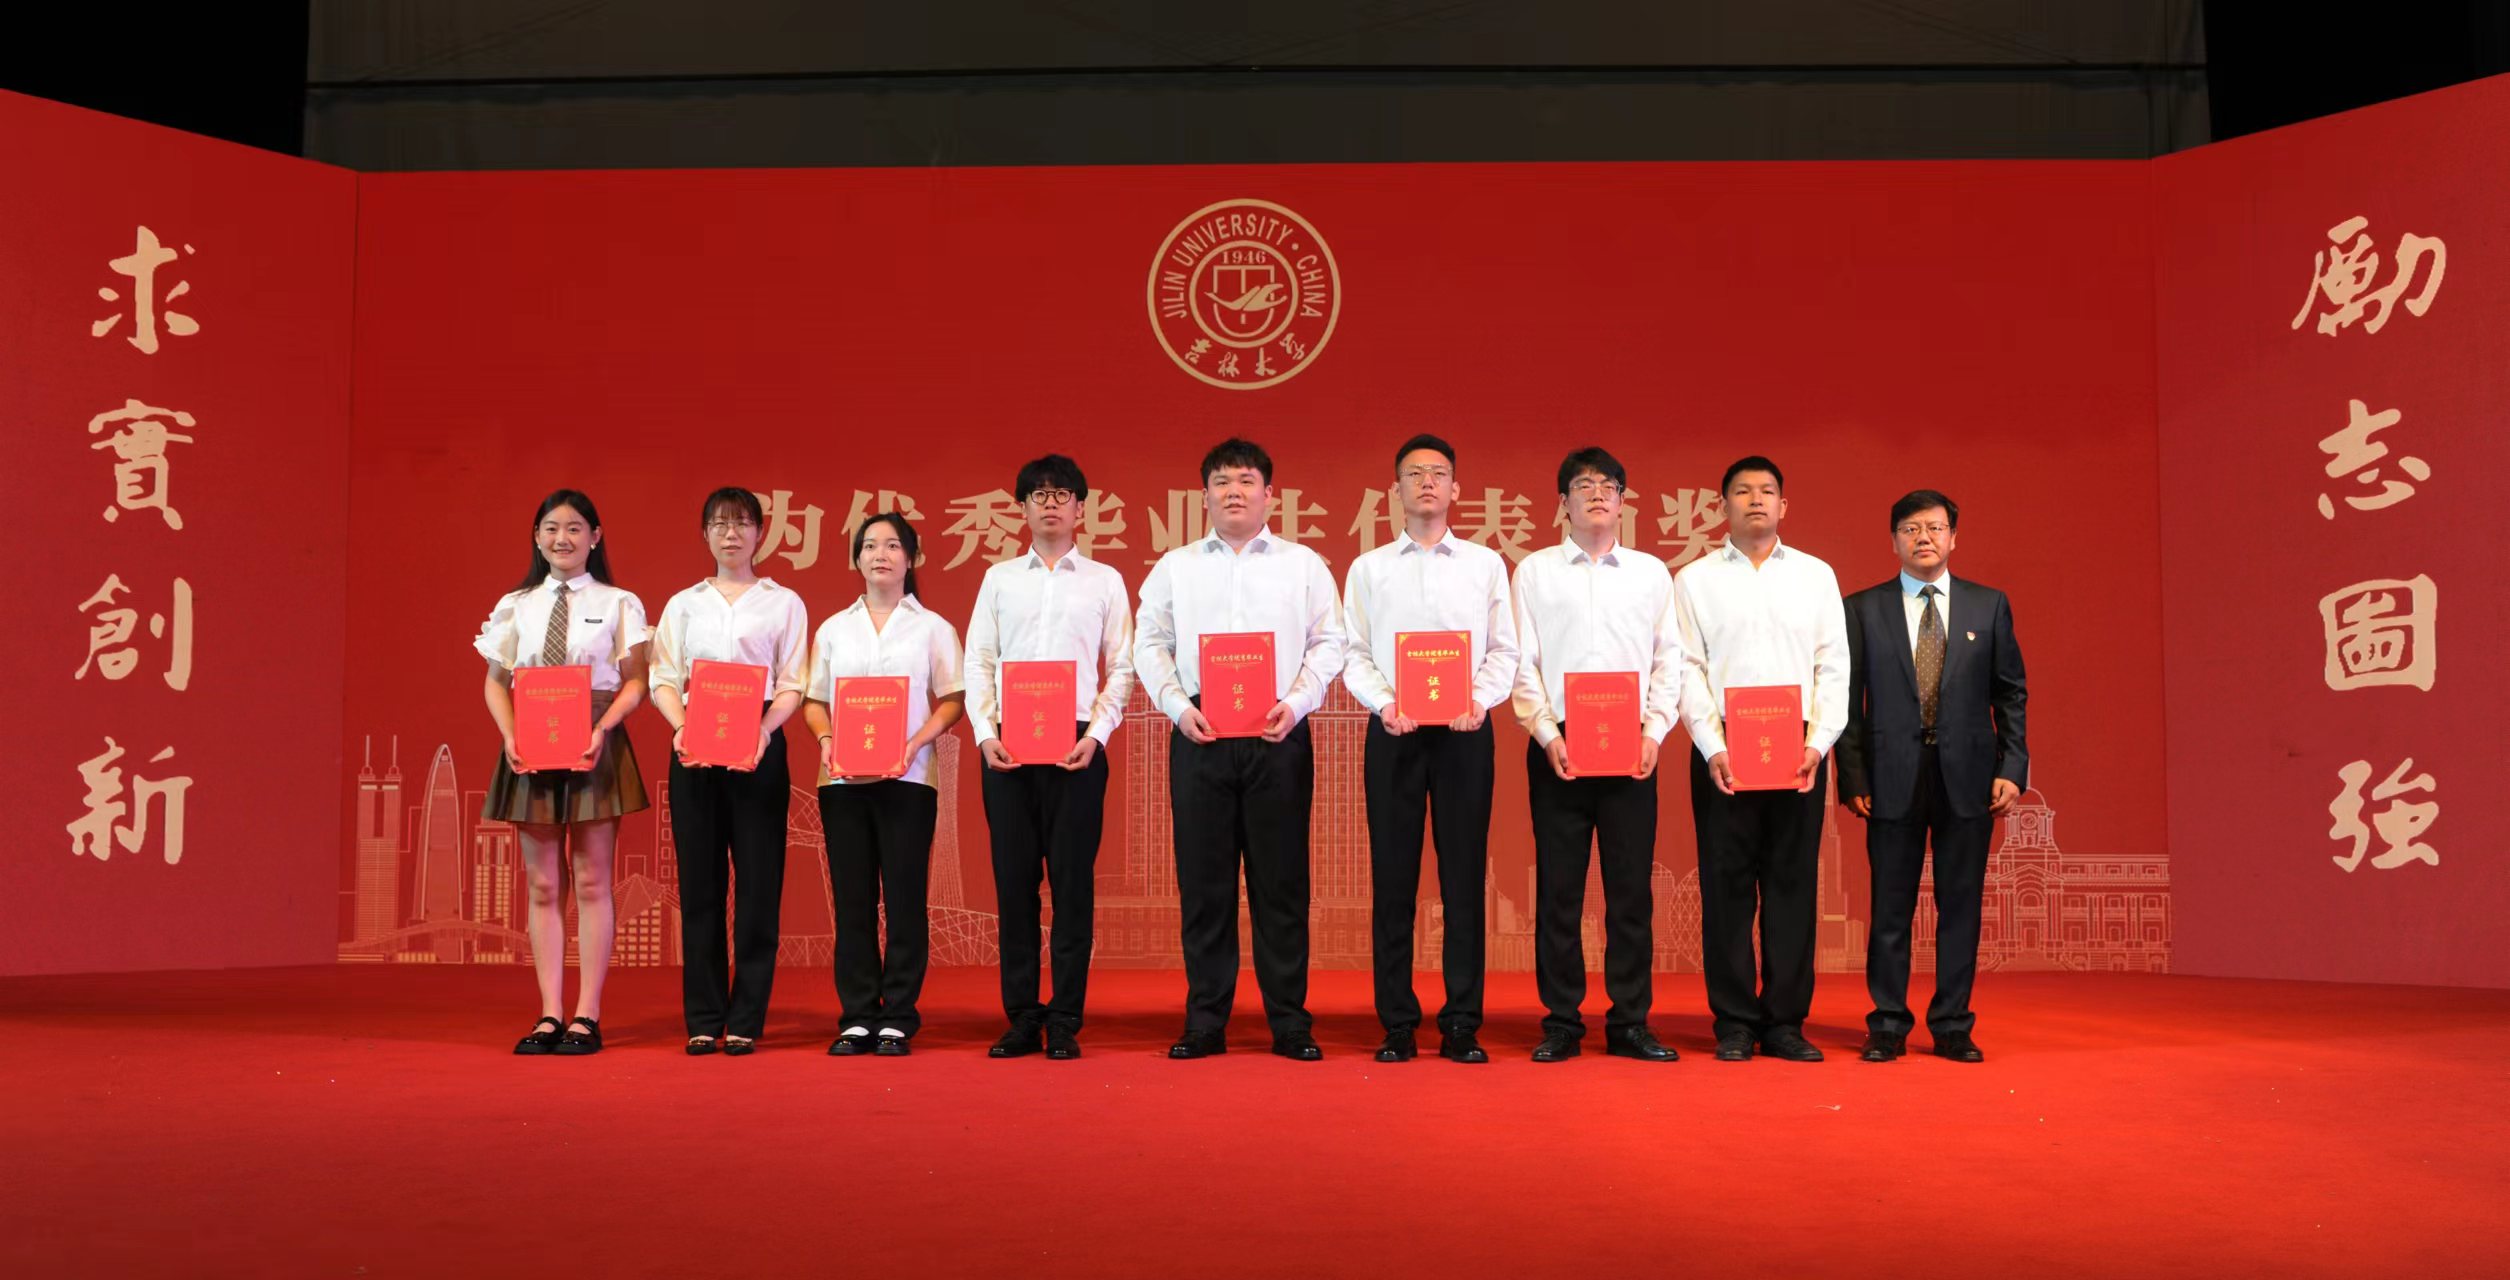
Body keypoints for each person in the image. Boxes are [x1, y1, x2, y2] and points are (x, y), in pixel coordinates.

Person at [1134, 438, 1345, 1061]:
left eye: (1247, 480)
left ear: (1269, 495)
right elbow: (1149, 642)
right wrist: (1178, 706)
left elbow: (1330, 642)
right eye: (1222, 481)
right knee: (1205, 885)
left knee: (1282, 885)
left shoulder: (1303, 565)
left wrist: (1297, 702)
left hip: (1276, 732)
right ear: (1203, 495)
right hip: (1200, 732)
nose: (1234, 491)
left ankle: (1290, 1022)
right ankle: (1205, 1021)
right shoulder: (1175, 566)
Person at [1340, 434, 1518, 1065]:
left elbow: (1504, 649)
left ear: (1456, 489)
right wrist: (1385, 704)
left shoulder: (1484, 564)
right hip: (1395, 733)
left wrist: (1480, 701)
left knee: (1463, 879)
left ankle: (1462, 1021)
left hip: (1465, 734)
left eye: (1438, 473)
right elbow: (1354, 652)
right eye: (1414, 474)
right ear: (1395, 490)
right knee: (1393, 879)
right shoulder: (1369, 569)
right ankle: (1396, 1022)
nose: (1426, 483)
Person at [1836, 490, 2027, 1064]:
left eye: (1935, 528)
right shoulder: (1863, 608)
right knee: (1889, 908)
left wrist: (2012, 768)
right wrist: (1853, 776)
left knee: (1960, 906)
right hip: (1889, 775)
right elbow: (1847, 702)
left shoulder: (1988, 605)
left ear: (1953, 538)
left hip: (1969, 777)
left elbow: (2010, 694)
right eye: (1911, 528)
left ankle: (1952, 1025)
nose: (1924, 537)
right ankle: (1887, 1024)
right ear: (1894, 539)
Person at [1508, 447, 1684, 1063]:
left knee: (1630, 892)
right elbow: (1522, 661)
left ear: (1623, 501)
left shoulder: (1650, 574)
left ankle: (1630, 1021)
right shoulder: (1534, 572)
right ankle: (1561, 1021)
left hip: (1631, 746)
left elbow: (1669, 660)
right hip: (1559, 745)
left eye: (1609, 485)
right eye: (1584, 485)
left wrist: (1654, 732)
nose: (1598, 494)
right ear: (1563, 503)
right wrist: (1546, 733)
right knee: (1559, 891)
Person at [1672, 456, 1850, 1063]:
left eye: (1767, 491)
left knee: (1792, 884)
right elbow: (1687, 668)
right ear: (1722, 505)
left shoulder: (1815, 576)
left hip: (1798, 749)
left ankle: (1785, 1022)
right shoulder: (1694, 580)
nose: (1755, 500)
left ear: (1783, 506)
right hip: (1723, 746)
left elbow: (1834, 664)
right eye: (1743, 491)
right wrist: (1712, 744)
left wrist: (1818, 743)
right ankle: (1734, 1022)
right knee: (1725, 887)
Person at [963, 454, 1135, 1060]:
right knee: (1014, 886)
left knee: (1071, 886)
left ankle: (1064, 1017)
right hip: (1008, 745)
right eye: (1039, 494)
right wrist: (985, 733)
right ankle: (1021, 1016)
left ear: (1081, 507)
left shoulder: (1105, 581)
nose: (1051, 503)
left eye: (1062, 494)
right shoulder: (999, 579)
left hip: (1076, 746)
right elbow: (979, 661)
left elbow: (1122, 666)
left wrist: (1099, 734)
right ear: (1022, 508)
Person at [476, 489, 649, 1057]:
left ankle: (587, 1015)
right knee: (544, 884)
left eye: (575, 528)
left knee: (593, 880)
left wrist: (604, 728)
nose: (562, 538)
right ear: (537, 537)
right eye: (551, 528)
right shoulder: (516, 605)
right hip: (531, 739)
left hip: (594, 738)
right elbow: (496, 682)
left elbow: (636, 681)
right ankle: (549, 1012)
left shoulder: (619, 602)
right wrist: (510, 735)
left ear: (595, 537)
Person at [646, 487, 809, 1056]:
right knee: (701, 886)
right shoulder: (683, 604)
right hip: (694, 743)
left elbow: (792, 682)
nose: (731, 533)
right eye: (719, 524)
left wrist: (764, 730)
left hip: (759, 743)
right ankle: (704, 1015)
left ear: (760, 533)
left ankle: (746, 1016)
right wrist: (680, 727)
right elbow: (663, 677)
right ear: (705, 534)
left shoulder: (783, 602)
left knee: (760, 885)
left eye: (741, 523)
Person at [801, 513, 965, 1058]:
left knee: (904, 898)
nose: (881, 555)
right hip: (842, 780)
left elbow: (953, 698)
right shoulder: (833, 628)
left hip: (909, 778)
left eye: (893, 546)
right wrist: (826, 739)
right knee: (853, 901)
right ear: (856, 559)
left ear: (911, 559)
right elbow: (814, 700)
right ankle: (856, 1015)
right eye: (869, 546)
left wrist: (917, 741)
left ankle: (897, 1014)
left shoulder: (933, 627)